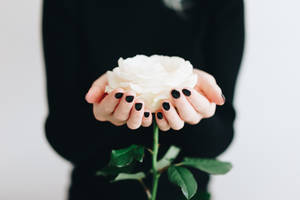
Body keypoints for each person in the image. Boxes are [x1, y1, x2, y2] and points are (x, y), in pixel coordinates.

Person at [42, 0, 244, 199]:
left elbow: (219, 138)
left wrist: (198, 112)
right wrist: (101, 114)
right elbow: (64, 137)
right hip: (95, 192)